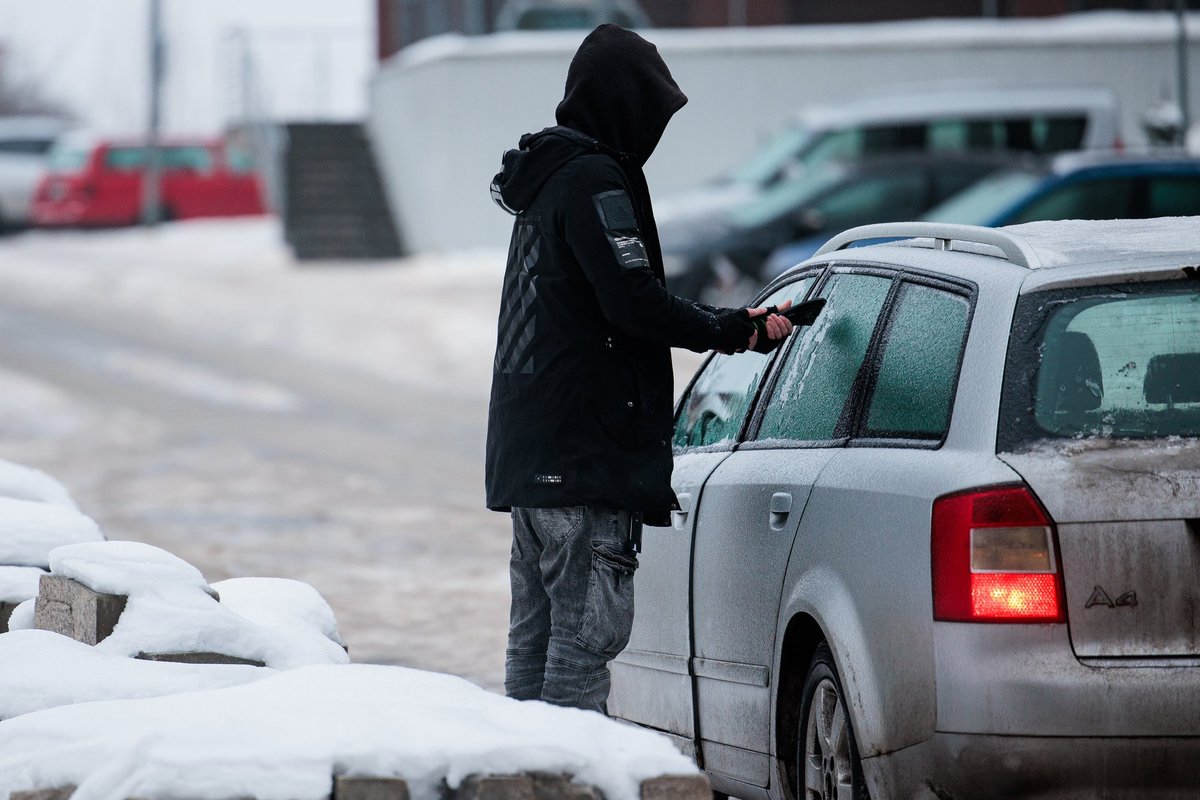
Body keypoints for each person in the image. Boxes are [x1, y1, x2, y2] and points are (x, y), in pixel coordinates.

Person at [486, 23, 792, 713]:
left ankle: (522, 778)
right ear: (623, 104)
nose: (655, 132)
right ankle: (568, 782)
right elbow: (633, 302)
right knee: (582, 647)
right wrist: (731, 328)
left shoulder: (544, 179)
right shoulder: (595, 177)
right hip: (587, 460)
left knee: (533, 648)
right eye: (652, 114)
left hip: (532, 458)